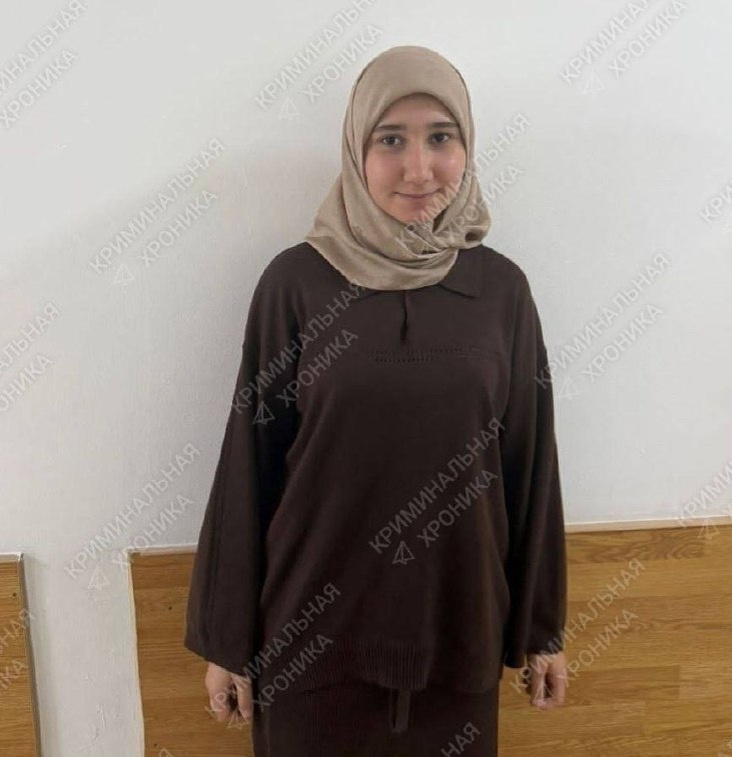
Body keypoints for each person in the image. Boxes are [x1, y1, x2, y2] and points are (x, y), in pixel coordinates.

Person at [184, 45, 568, 756]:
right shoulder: (296, 284)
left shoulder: (501, 292)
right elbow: (249, 465)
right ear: (356, 148)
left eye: (440, 137)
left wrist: (541, 629)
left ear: (467, 146)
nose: (419, 169)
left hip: (459, 635)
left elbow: (528, 463)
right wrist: (228, 641)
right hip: (309, 645)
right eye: (390, 140)